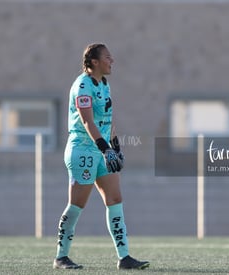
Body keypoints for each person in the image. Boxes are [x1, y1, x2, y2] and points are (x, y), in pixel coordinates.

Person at [53, 43, 150, 270]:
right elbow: (87, 122)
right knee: (76, 205)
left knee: (115, 200)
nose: (112, 60)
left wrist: (115, 146)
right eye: (108, 57)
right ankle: (60, 257)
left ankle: (124, 257)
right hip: (83, 150)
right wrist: (104, 148)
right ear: (94, 62)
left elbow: (107, 120)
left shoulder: (104, 84)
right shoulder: (82, 85)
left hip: (102, 149)